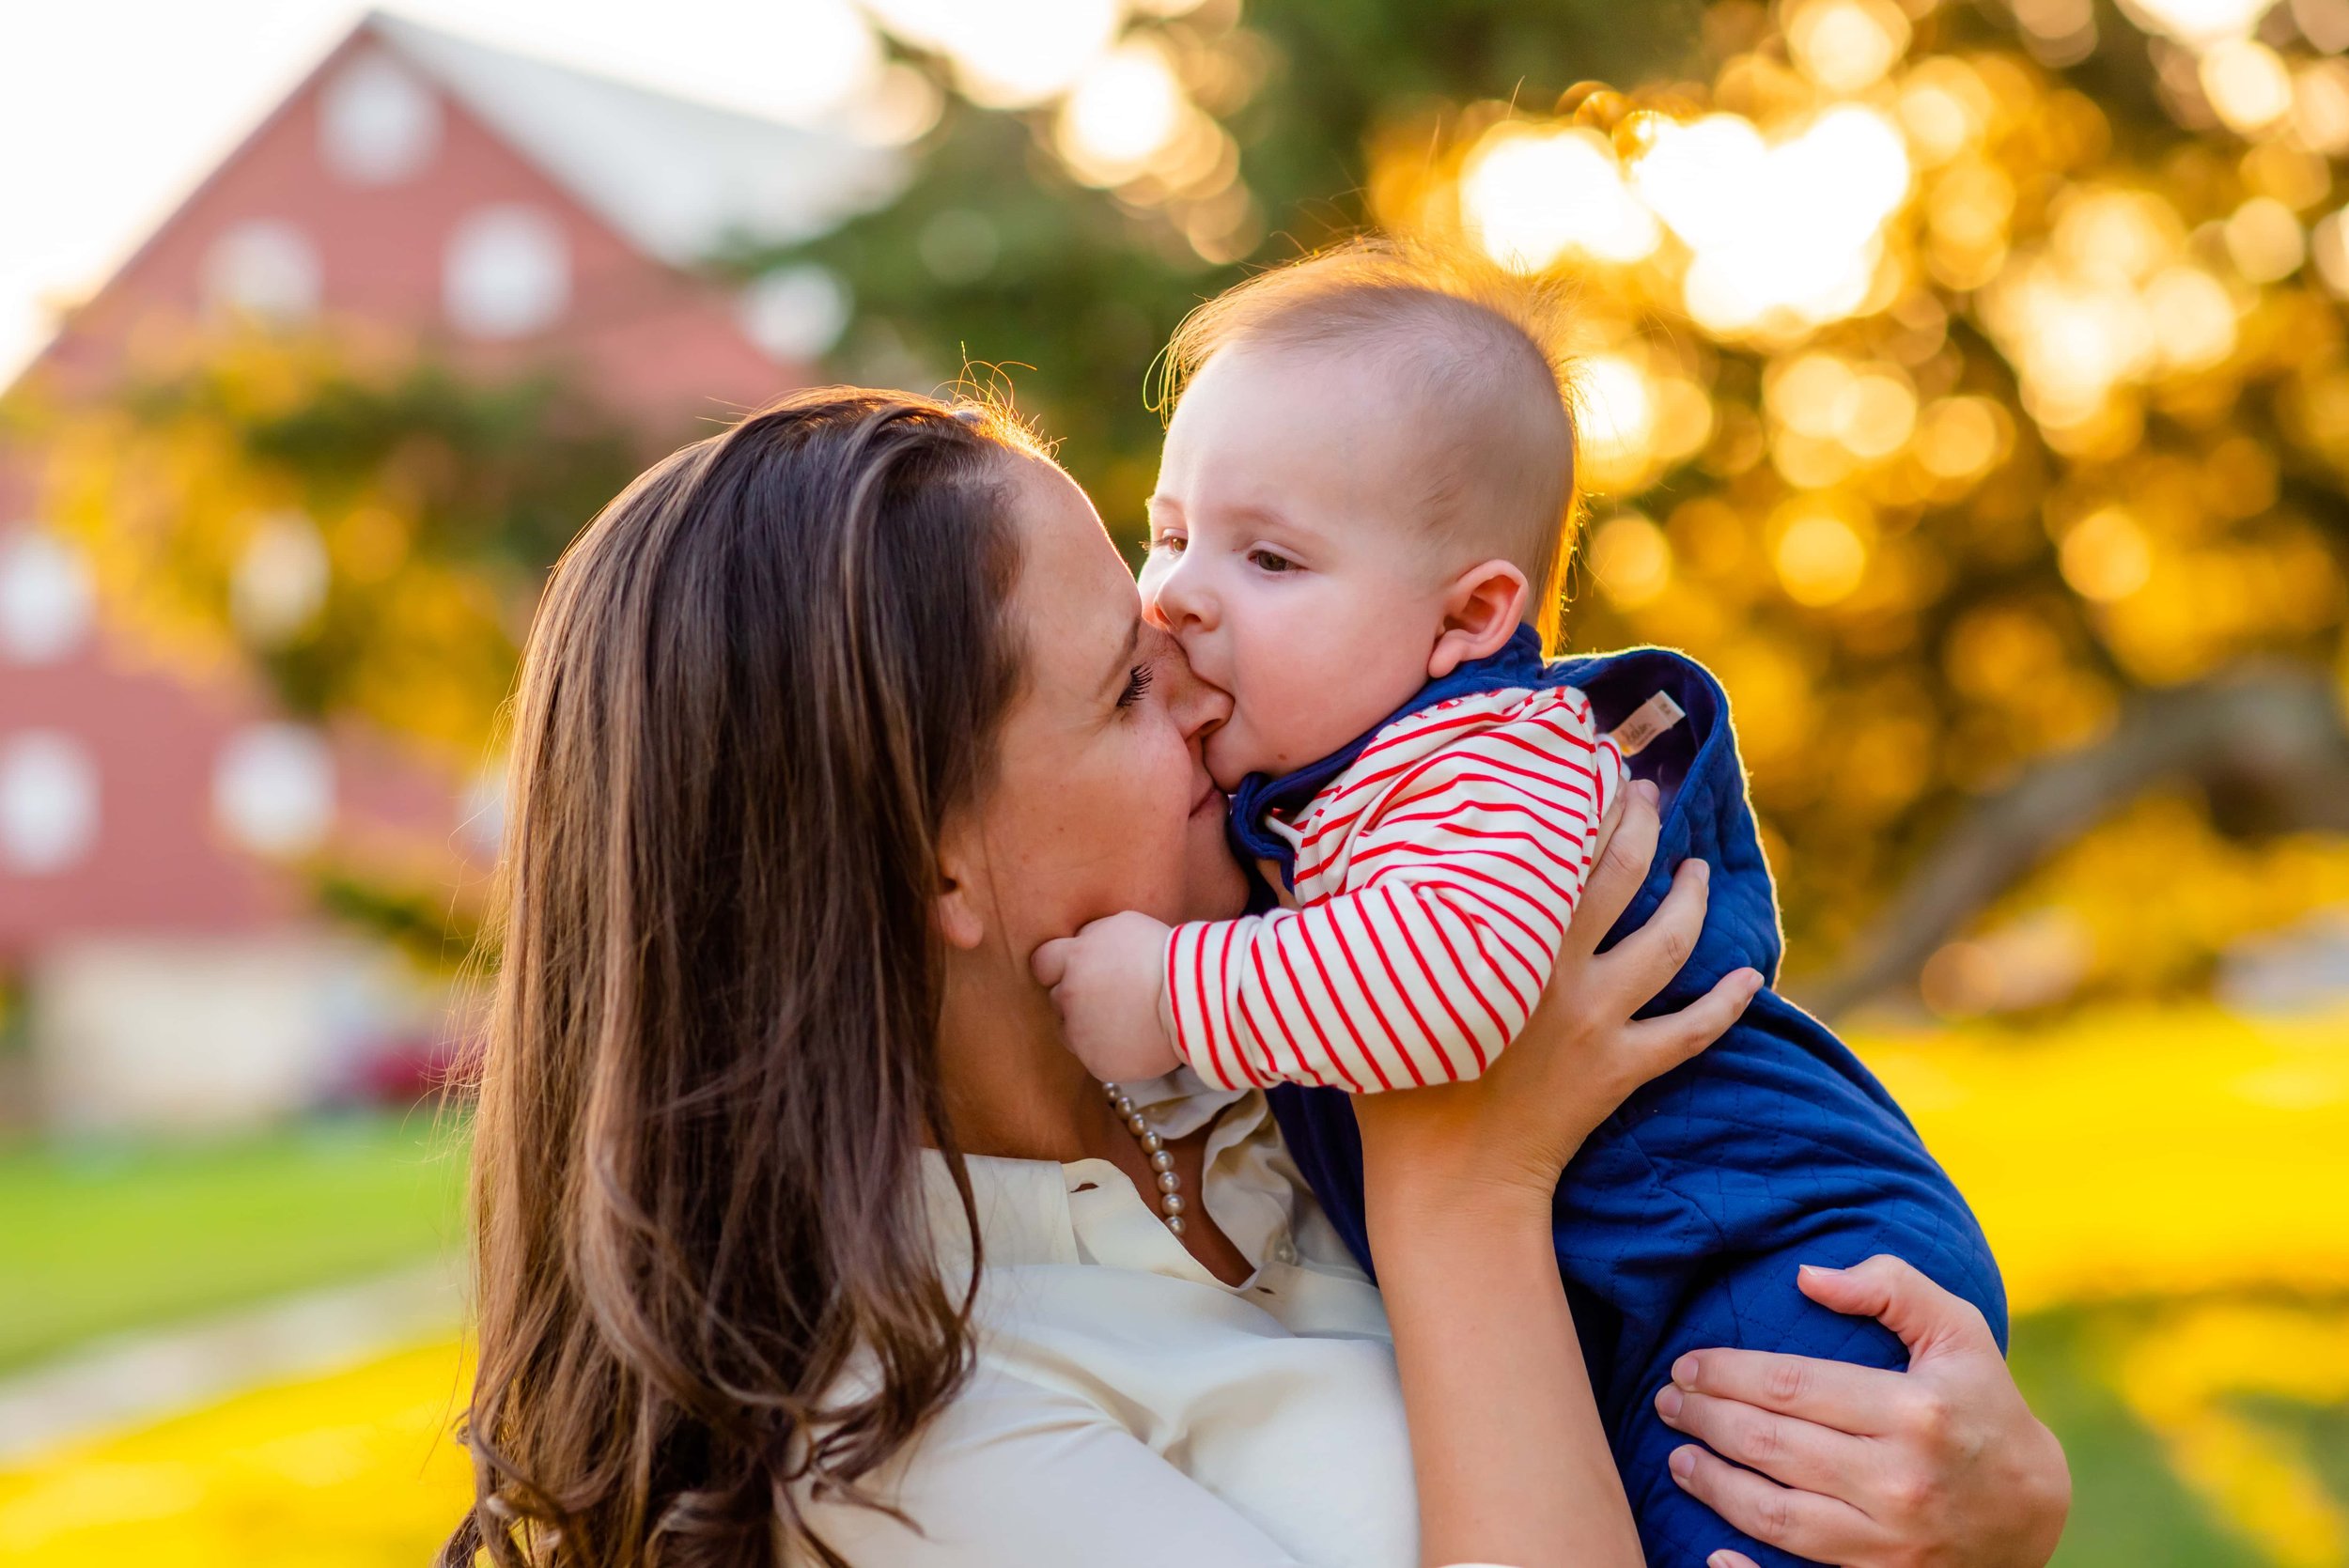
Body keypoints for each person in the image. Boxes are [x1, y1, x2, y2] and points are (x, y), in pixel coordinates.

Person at [441, 387, 2071, 1568]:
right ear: (938, 863)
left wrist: (1975, 1514)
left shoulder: (1255, 1048)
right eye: (1135, 685)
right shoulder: (908, 1439)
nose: (1216, 685)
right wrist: (1467, 1188)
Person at [1031, 241, 2009, 1565]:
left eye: (1268, 558)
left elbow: (1442, 989)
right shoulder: (1349, 779)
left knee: (1761, 1509)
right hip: (1656, 1271)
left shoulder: (1492, 757)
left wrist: (1167, 989)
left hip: (1774, 1258)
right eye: (1172, 532)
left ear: (1470, 616)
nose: (1184, 595)